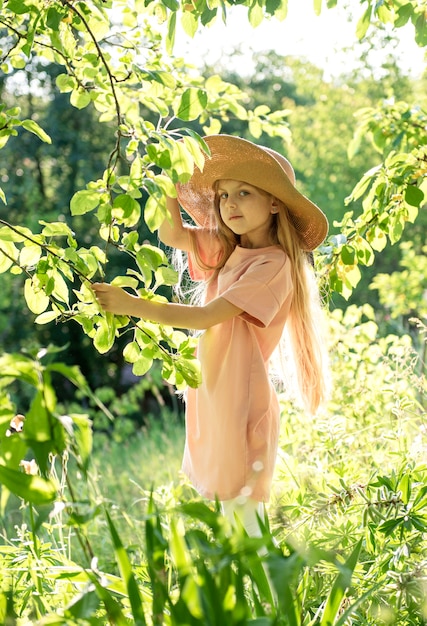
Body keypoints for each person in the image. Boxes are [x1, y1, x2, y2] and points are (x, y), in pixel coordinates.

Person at [93, 134, 329, 540]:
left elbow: (205, 317)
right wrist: (167, 172)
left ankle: (268, 600)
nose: (229, 205)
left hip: (240, 399)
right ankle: (230, 598)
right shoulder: (227, 247)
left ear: (275, 202)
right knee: (221, 517)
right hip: (213, 392)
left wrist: (130, 304)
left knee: (245, 521)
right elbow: (171, 232)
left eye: (243, 193)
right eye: (222, 196)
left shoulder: (274, 264)